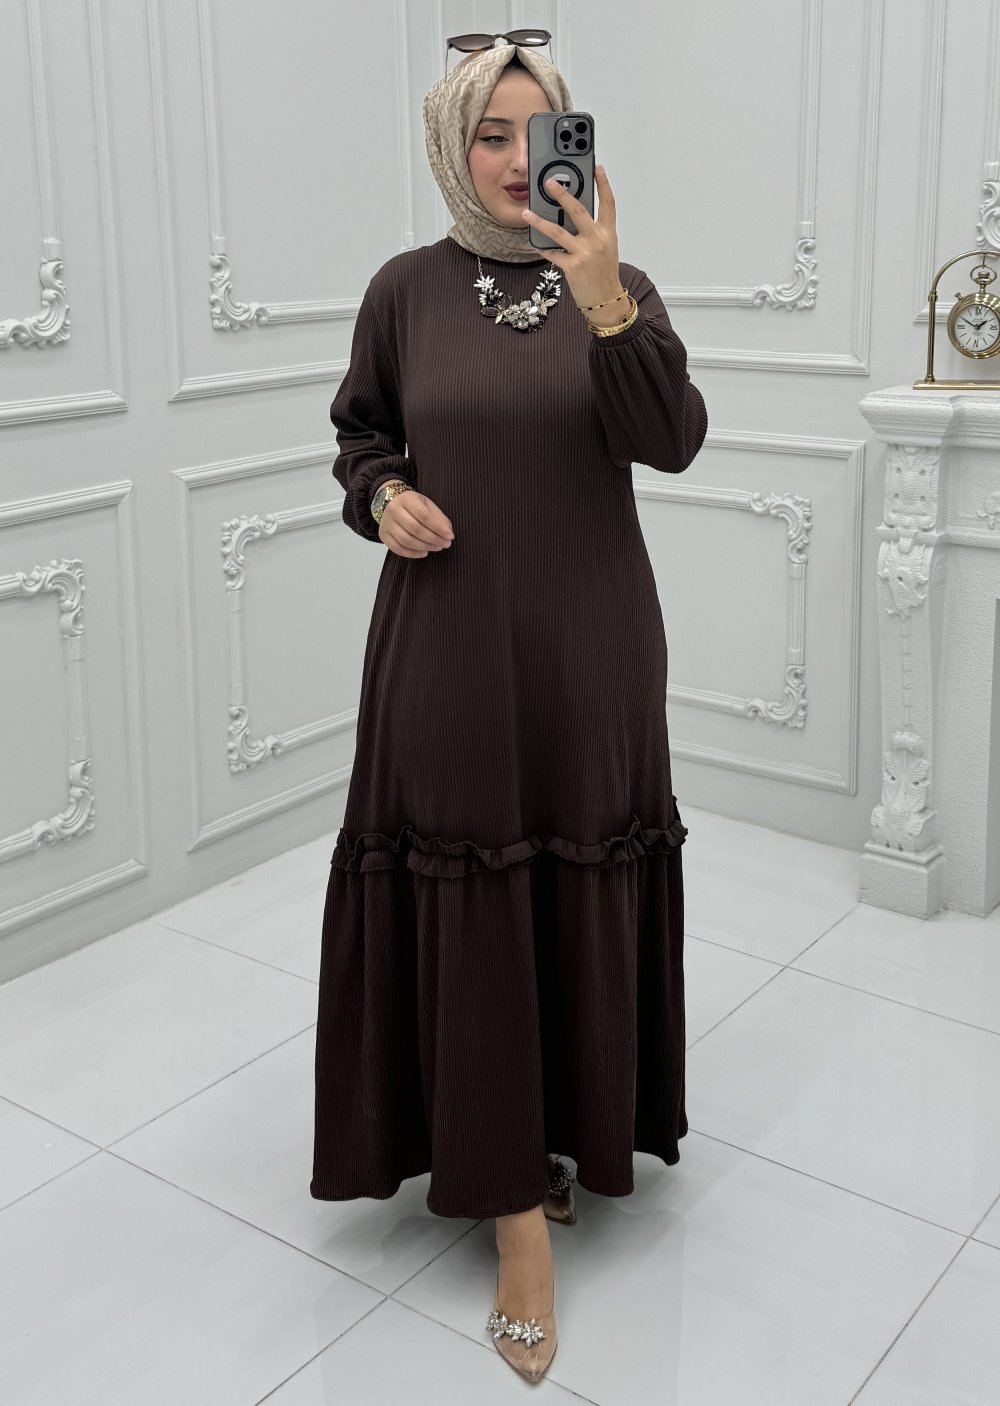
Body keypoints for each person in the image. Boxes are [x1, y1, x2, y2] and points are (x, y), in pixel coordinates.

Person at [311, 37, 708, 1384]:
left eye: (541, 131)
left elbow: (669, 439)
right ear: (451, 144)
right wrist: (380, 496)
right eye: (491, 132)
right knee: (472, 885)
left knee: (574, 876)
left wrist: (606, 302)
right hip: (449, 649)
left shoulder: (620, 283)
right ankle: (510, 1215)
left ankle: (571, 1137)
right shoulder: (404, 291)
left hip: (591, 646)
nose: (516, 157)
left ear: (573, 145)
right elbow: (361, 434)